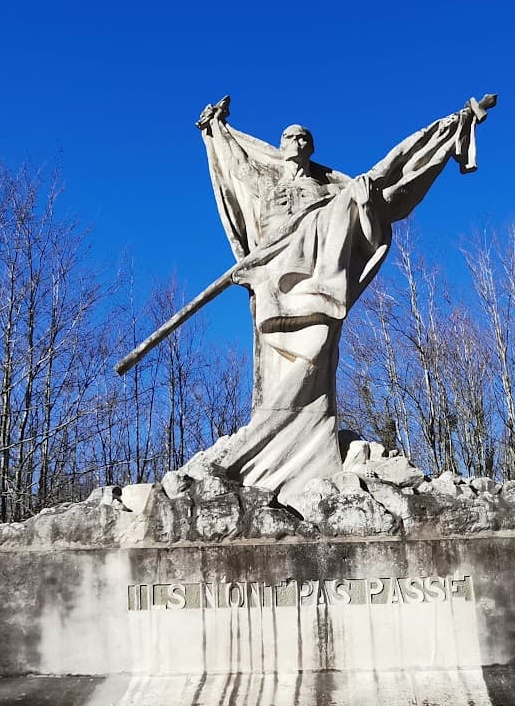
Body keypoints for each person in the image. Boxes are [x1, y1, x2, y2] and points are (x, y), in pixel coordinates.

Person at [180, 94, 494, 494]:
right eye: (290, 136)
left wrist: (448, 129)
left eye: (303, 137)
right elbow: (235, 168)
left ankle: (304, 446)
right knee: (276, 364)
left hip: (316, 283)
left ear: (311, 147)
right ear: (280, 146)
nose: (297, 140)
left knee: (316, 345)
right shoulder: (265, 183)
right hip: (274, 281)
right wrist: (215, 130)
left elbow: (387, 182)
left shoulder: (327, 187)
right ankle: (268, 448)